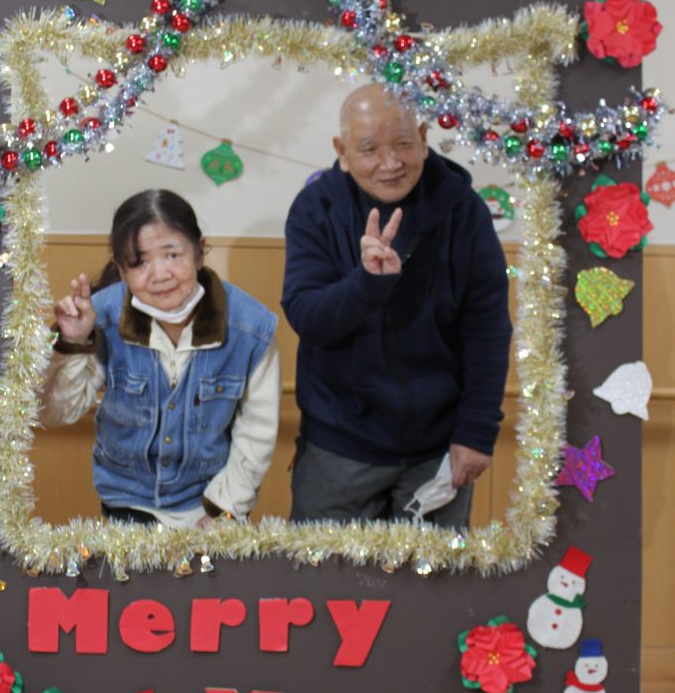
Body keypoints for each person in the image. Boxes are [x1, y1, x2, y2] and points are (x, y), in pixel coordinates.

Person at [282, 83, 512, 526]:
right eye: (369, 149)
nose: (390, 163)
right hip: (338, 443)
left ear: (423, 139)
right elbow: (307, 317)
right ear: (342, 152)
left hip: (439, 447)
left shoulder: (465, 210)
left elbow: (487, 328)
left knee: (436, 573)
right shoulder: (316, 208)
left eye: (403, 144)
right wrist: (366, 284)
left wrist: (477, 430)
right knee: (321, 571)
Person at [42, 189, 280, 528]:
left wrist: (224, 510)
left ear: (199, 252)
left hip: (211, 506)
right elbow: (56, 412)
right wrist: (74, 342)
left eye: (172, 255)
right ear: (120, 269)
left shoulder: (251, 327)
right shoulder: (101, 315)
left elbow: (257, 431)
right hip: (126, 507)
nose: (160, 275)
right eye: (140, 262)